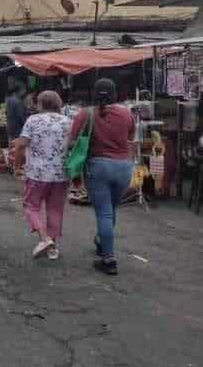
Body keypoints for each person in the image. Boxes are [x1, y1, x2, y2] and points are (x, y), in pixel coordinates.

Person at [69, 78, 135, 276]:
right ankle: (101, 242)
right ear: (115, 93)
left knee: (104, 213)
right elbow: (130, 136)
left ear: (94, 93)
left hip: (98, 167)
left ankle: (109, 259)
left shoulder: (85, 114)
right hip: (124, 167)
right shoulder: (126, 112)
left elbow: (72, 142)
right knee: (111, 209)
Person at [14, 91, 71, 260]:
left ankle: (44, 239)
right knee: (55, 210)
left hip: (37, 174)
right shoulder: (68, 121)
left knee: (31, 206)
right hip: (61, 174)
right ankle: (53, 249)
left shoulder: (33, 120)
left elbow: (21, 145)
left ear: (40, 104)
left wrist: (17, 164)